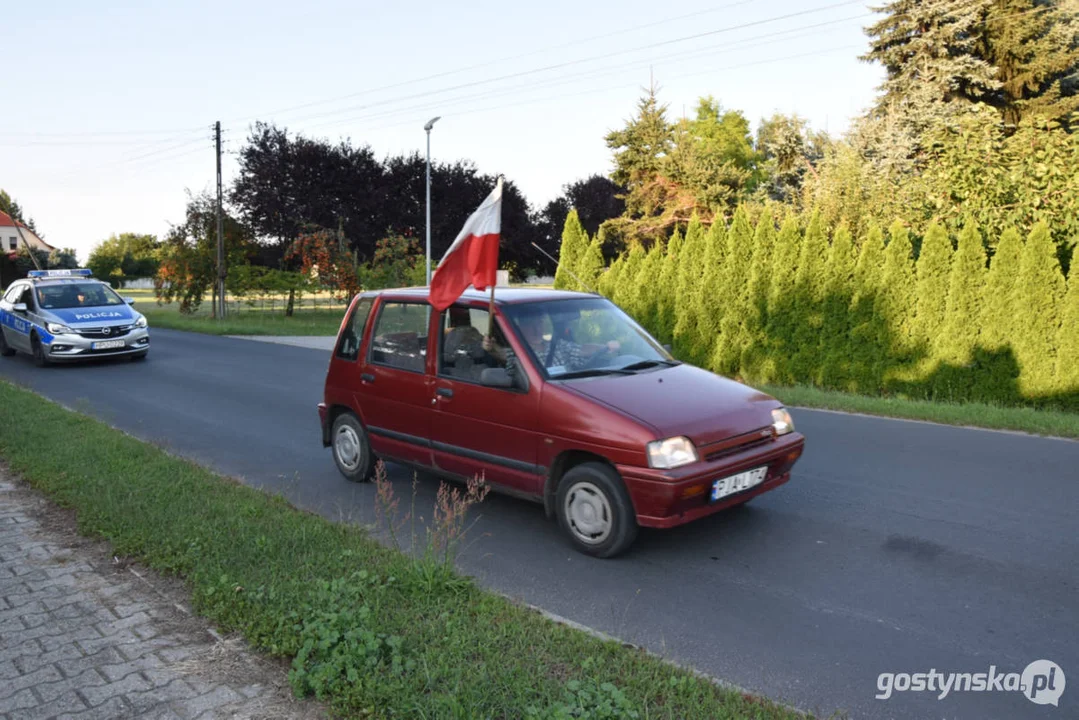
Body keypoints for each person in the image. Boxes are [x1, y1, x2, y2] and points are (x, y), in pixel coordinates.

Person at [483, 311, 620, 373]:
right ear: (520, 328)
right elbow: (500, 353)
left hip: (571, 393)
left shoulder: (558, 346)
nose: (537, 329)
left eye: (540, 323)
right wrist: (490, 347)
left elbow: (582, 349)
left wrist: (606, 347)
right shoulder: (517, 352)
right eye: (531, 324)